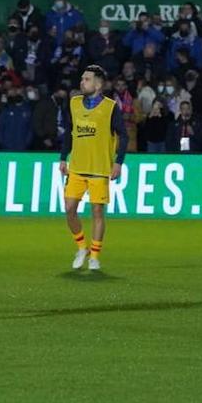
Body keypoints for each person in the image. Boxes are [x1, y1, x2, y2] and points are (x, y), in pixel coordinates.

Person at [59, 65, 129, 273]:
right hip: (77, 168)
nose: (82, 82)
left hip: (99, 169)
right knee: (70, 209)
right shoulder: (73, 103)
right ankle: (82, 248)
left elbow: (123, 135)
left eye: (87, 79)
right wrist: (63, 158)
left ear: (98, 84)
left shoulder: (110, 107)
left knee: (97, 212)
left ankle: (95, 256)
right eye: (82, 79)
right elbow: (69, 132)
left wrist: (118, 162)